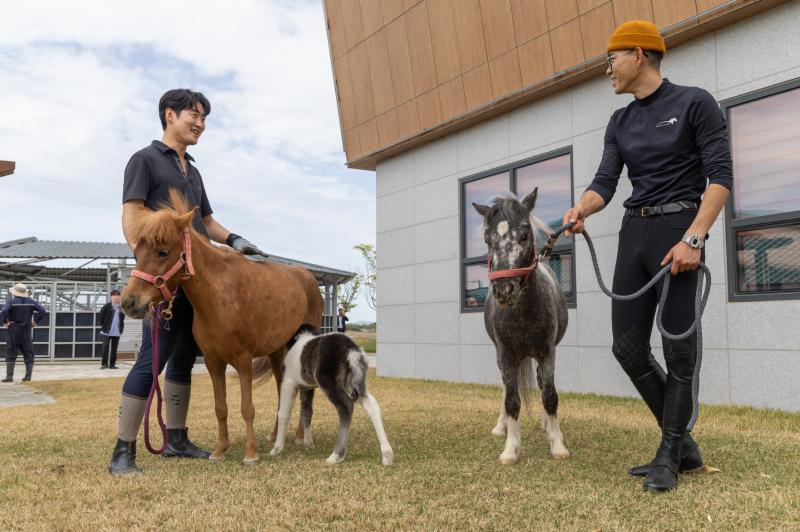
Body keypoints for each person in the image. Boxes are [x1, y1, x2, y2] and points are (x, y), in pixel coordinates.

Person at [561, 21, 732, 492]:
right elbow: (605, 183)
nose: (607, 70)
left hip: (679, 230)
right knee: (628, 348)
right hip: (634, 233)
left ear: (638, 54)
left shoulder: (695, 103)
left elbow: (720, 179)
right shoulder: (620, 121)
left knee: (679, 347)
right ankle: (684, 448)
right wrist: (583, 207)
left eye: (610, 59)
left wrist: (694, 239)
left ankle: (669, 452)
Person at [109, 88, 268, 475]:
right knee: (153, 359)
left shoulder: (192, 171)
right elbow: (133, 218)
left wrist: (235, 240)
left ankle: (176, 439)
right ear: (169, 115)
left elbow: (206, 222)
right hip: (163, 280)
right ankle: (122, 451)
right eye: (193, 116)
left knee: (183, 359)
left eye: (204, 119)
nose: (200, 124)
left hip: (193, 283)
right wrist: (150, 273)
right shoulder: (144, 160)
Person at [1, 283, 47, 383]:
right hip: (26, 331)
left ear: (14, 292)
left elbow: (4, 311)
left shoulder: (11, 302)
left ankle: (9, 377)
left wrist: (5, 322)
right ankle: (28, 377)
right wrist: (36, 321)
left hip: (13, 330)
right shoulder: (31, 302)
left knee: (11, 352)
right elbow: (42, 310)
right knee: (28, 353)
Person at [98, 289, 125, 369]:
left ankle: (112, 365)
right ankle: (104, 364)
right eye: (114, 295)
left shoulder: (121, 308)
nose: (116, 297)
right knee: (105, 348)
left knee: (114, 349)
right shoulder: (107, 306)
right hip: (107, 331)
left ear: (120, 297)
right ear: (111, 297)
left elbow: (122, 319)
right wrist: (104, 326)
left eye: (118, 296)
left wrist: (121, 328)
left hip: (117, 331)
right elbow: (101, 317)